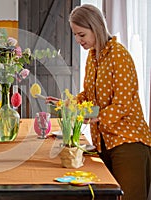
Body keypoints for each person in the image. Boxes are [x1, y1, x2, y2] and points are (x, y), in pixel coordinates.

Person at [66, 4, 151, 200]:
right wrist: (70, 103)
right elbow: (88, 95)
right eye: (75, 35)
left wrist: (93, 117)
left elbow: (123, 104)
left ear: (95, 28)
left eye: (81, 35)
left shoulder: (118, 55)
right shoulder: (93, 57)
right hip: (104, 143)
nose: (78, 40)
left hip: (128, 142)